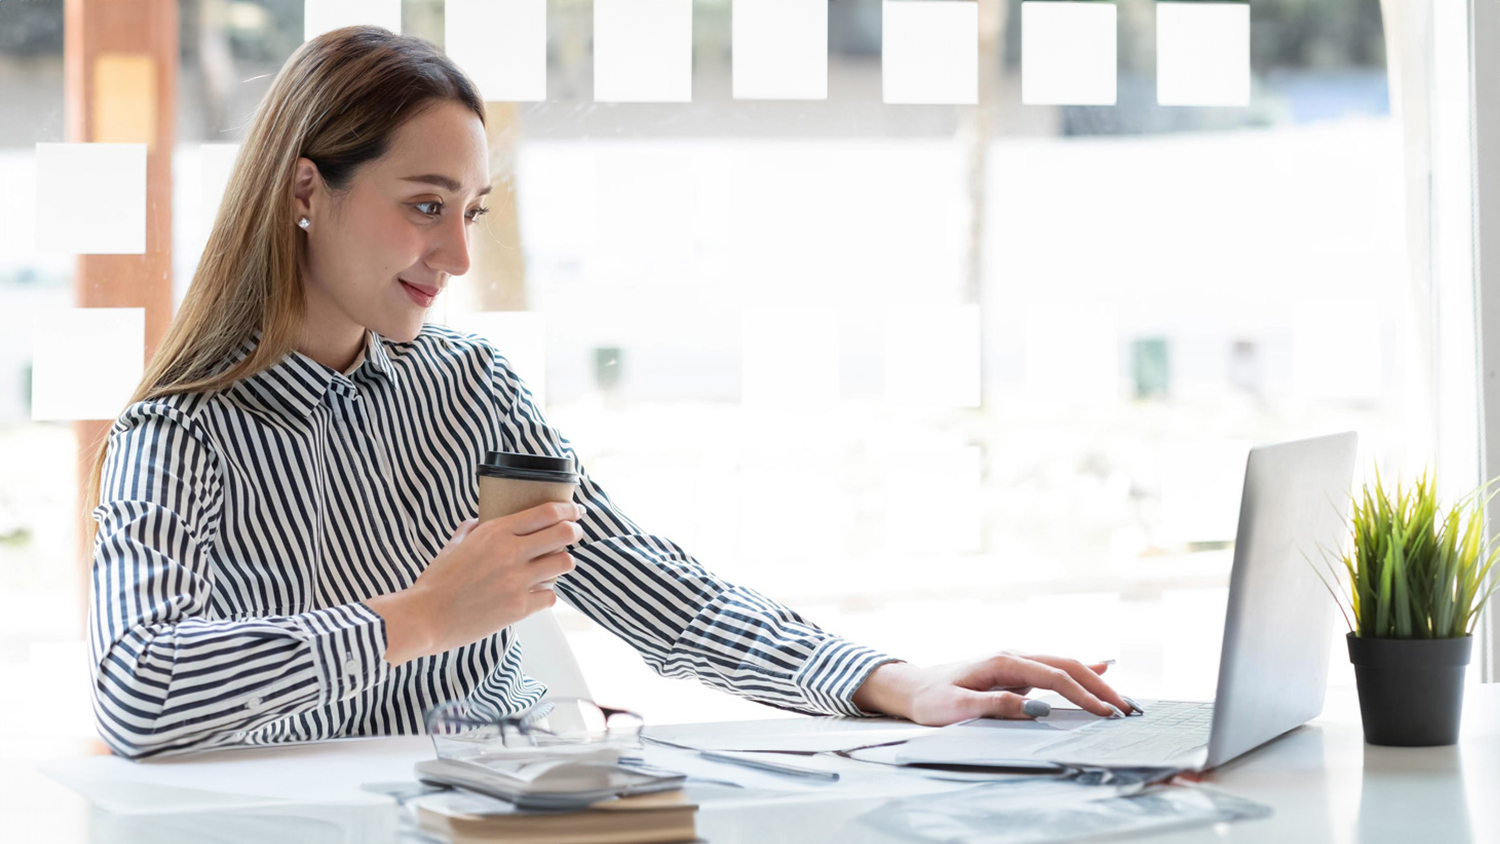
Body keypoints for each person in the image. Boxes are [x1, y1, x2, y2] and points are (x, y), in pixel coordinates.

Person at [84, 27, 1134, 761]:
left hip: (509, 801)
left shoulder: (468, 389)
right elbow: (137, 687)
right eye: (423, 205)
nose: (454, 253)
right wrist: (417, 617)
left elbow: (655, 590)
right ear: (308, 189)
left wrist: (888, 679)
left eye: (473, 212)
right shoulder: (178, 434)